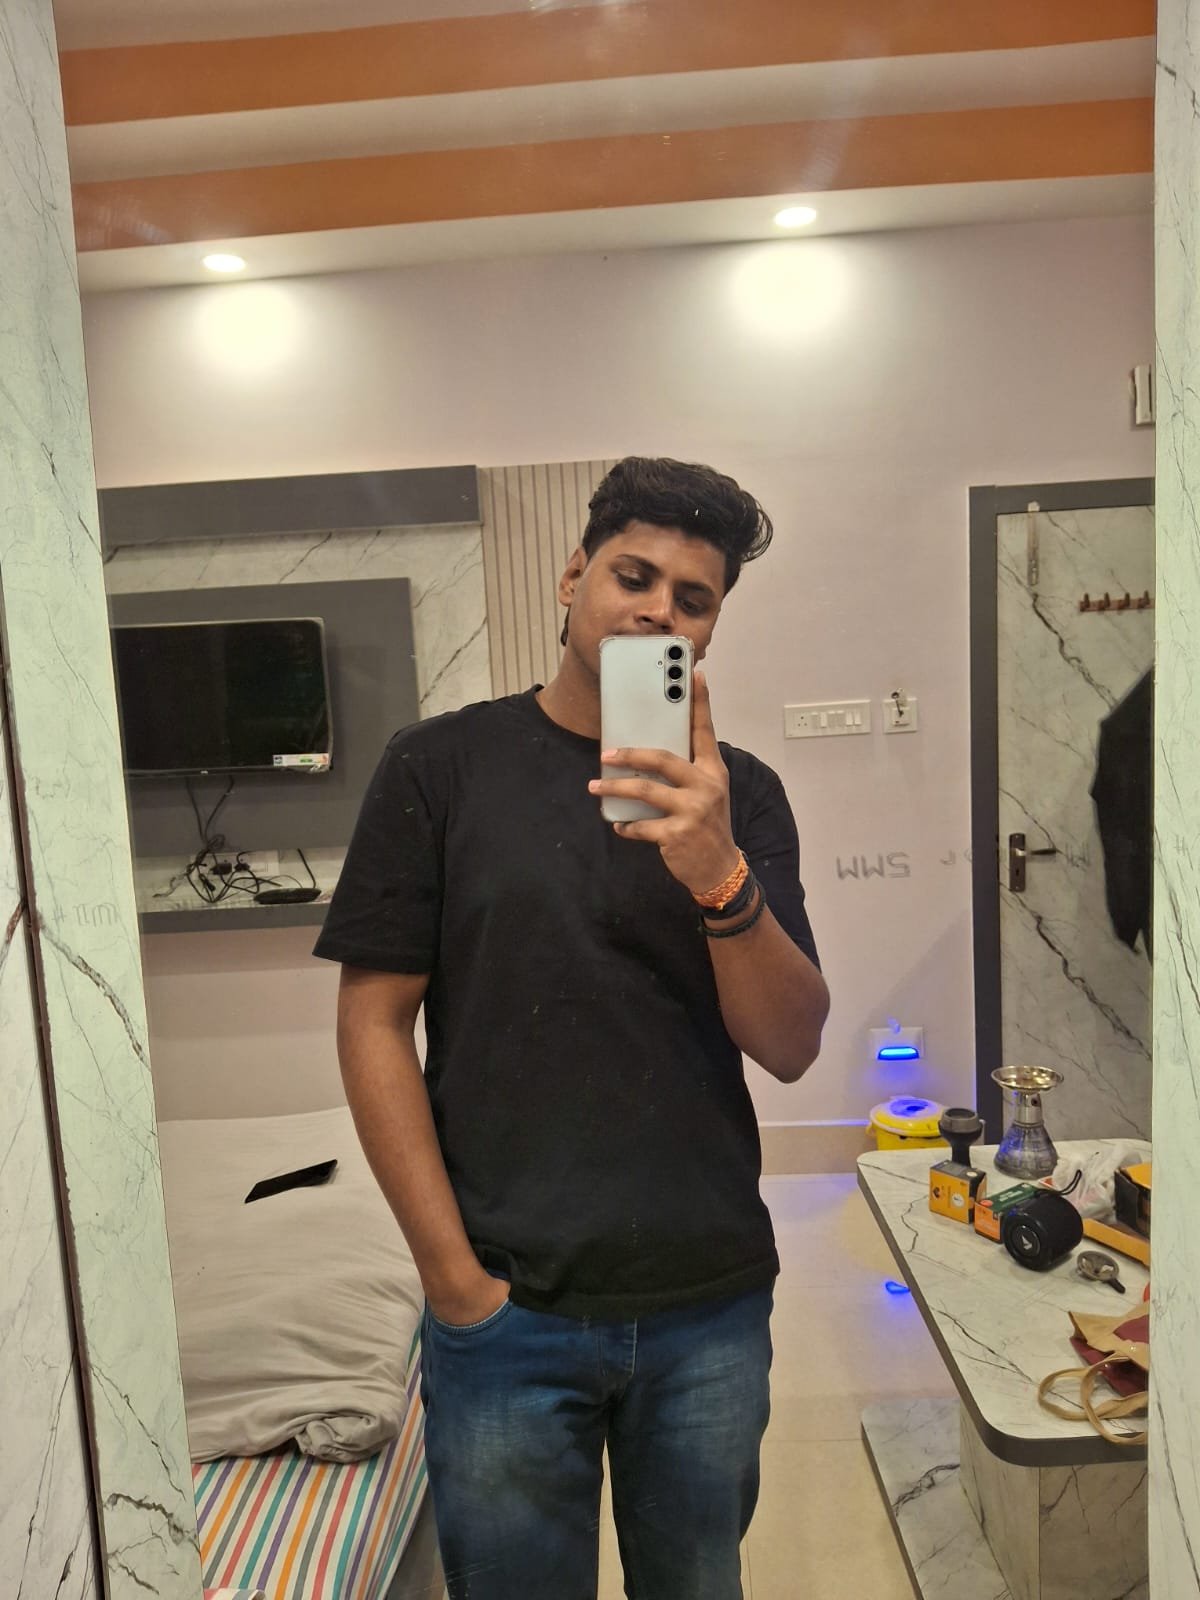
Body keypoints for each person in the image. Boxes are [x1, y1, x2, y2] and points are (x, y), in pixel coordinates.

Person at [314, 456, 830, 1600]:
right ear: (572, 576)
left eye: (692, 598)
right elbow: (372, 1023)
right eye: (632, 576)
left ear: (712, 626)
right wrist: (452, 1281)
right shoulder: (438, 768)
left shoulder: (740, 795)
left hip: (706, 1300)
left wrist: (718, 872)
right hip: (506, 1305)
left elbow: (792, 1043)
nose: (657, 611)